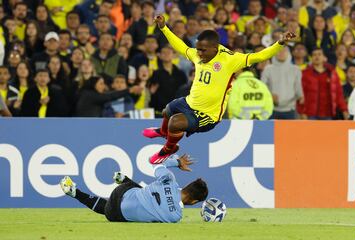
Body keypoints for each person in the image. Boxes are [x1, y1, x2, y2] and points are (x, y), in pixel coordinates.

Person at [143, 14, 296, 164]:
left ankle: (169, 149)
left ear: (215, 48)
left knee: (175, 123)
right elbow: (181, 47)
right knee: (167, 110)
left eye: (203, 50)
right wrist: (164, 28)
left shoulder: (231, 60)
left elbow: (259, 56)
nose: (199, 53)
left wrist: (279, 43)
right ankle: (163, 133)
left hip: (208, 115)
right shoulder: (198, 53)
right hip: (190, 103)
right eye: (198, 49)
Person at [60, 154, 208, 223]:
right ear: (194, 202)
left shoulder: (169, 179)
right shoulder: (175, 216)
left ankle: (123, 180)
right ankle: (75, 193)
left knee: (143, 191)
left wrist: (176, 162)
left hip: (122, 191)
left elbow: (154, 161)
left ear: (187, 185)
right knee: (112, 209)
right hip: (115, 214)